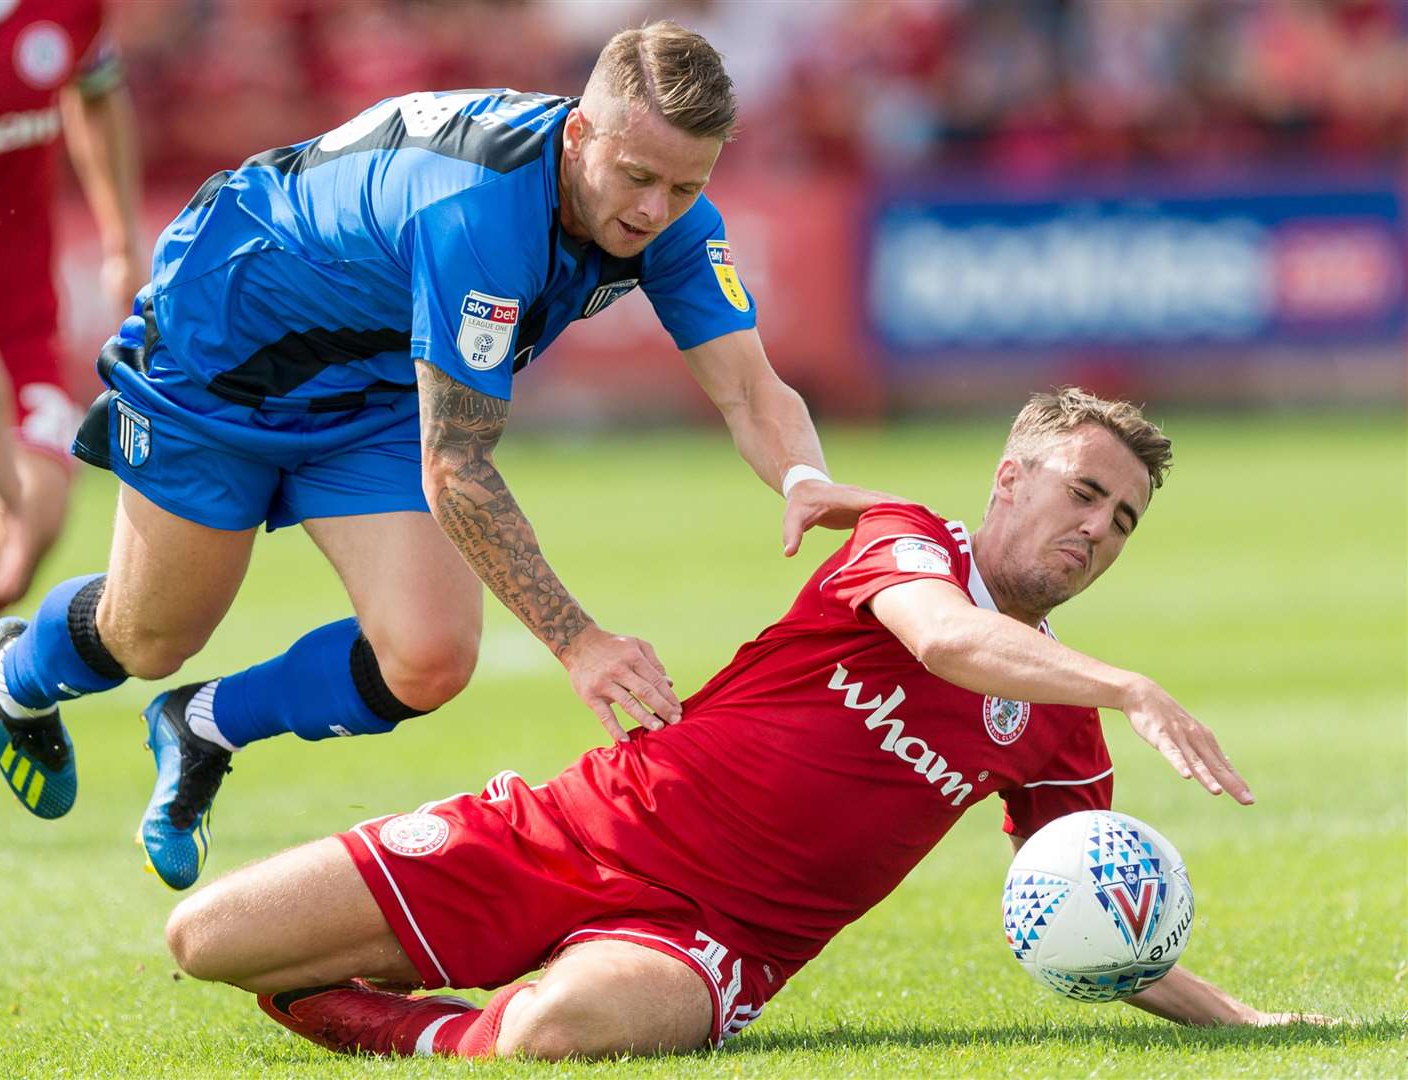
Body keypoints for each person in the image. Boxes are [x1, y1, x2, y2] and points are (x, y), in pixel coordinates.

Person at [162, 388, 1328, 1061]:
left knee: (549, 1037)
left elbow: (1088, 914)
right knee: (203, 940)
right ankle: (398, 953)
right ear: (1010, 482)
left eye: (1122, 519)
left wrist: (1245, 1023)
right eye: (1083, 492)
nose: (1098, 529)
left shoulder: (1061, 725)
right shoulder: (912, 539)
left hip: (720, 947)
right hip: (576, 825)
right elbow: (942, 639)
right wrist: (1129, 682)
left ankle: (419, 1033)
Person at [0, 21, 883, 887]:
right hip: (219, 354)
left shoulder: (671, 215)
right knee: (153, 636)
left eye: (685, 188)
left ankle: (203, 726)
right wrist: (581, 643)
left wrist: (803, 477)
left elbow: (752, 389)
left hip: (373, 383)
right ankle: (21, 672)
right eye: (638, 176)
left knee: (428, 658)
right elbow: (455, 466)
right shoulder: (479, 214)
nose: (655, 209)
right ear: (579, 134)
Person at [0, 0, 144, 646]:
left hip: (17, 328)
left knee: (29, 517)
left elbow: (95, 92)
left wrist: (122, 243)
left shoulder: (67, 9)